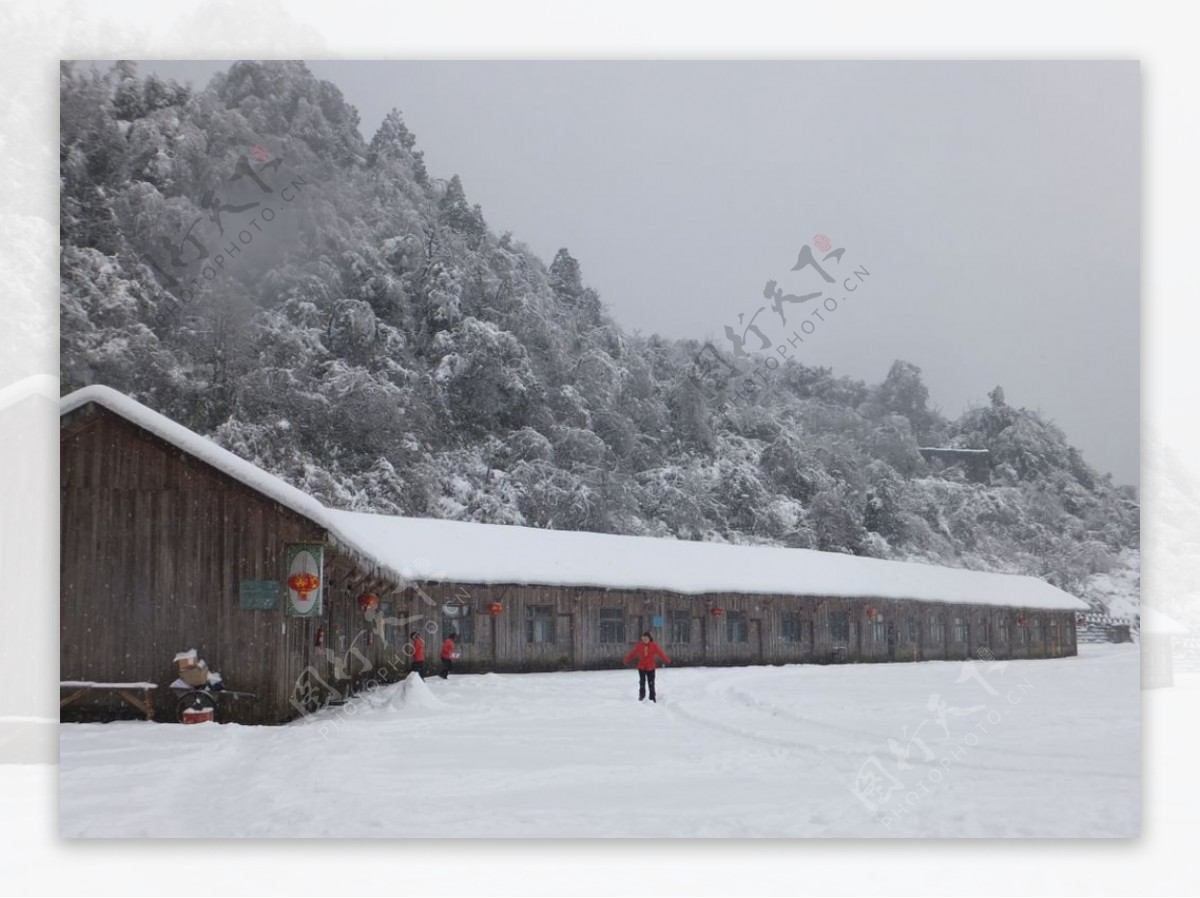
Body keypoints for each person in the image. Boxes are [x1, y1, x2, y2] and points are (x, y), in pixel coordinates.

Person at [622, 631, 670, 702]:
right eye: (643, 639)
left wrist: (666, 660)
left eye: (646, 638)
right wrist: (626, 660)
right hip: (641, 667)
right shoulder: (639, 646)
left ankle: (652, 697)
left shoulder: (654, 646)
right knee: (642, 682)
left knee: (651, 683)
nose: (644, 640)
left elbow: (660, 653)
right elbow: (632, 653)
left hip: (651, 667)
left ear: (649, 639)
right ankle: (642, 696)